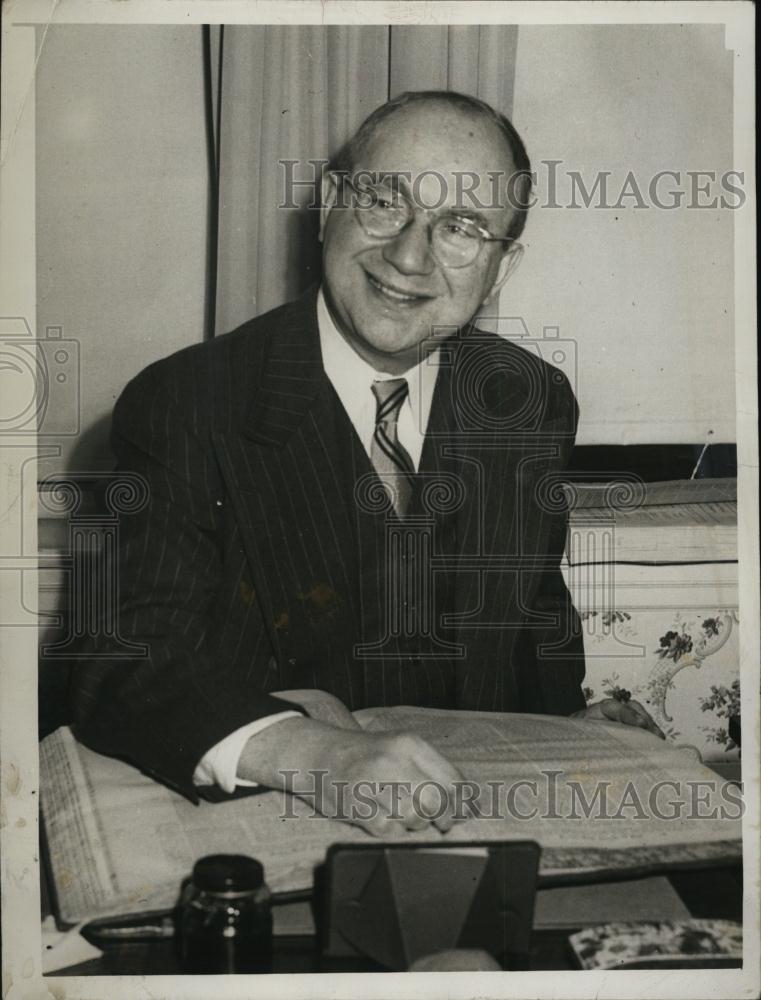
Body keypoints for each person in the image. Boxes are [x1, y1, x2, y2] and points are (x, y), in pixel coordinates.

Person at [70, 90, 661, 838]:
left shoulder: (527, 397)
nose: (409, 256)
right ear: (329, 205)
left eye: (461, 228)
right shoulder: (187, 401)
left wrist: (572, 731)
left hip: (472, 822)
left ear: (502, 264)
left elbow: (531, 616)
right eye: (385, 201)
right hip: (274, 821)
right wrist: (311, 752)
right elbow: (118, 659)